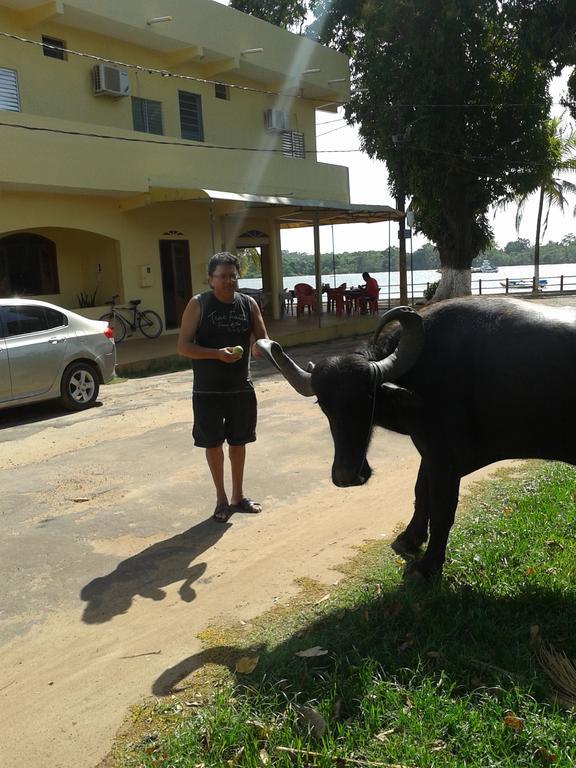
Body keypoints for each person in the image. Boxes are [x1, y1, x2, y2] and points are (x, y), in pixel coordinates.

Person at [177, 252, 269, 523]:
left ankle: (238, 497)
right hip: (207, 391)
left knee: (239, 443)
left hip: (241, 388)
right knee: (213, 444)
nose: (229, 280)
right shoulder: (199, 304)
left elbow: (263, 339)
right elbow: (183, 347)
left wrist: (257, 348)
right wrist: (216, 354)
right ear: (210, 279)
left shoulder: (248, 304)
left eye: (233, 275)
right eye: (222, 276)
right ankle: (220, 498)